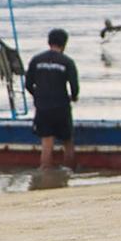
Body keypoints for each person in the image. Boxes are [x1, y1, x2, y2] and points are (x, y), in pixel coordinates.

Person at [25, 28, 79, 170]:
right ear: (64, 43)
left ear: (49, 42)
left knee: (47, 142)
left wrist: (37, 95)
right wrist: (73, 97)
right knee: (67, 141)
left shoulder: (36, 60)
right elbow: (74, 86)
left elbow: (28, 84)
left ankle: (45, 172)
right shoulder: (67, 62)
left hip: (43, 107)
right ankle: (70, 171)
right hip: (61, 106)